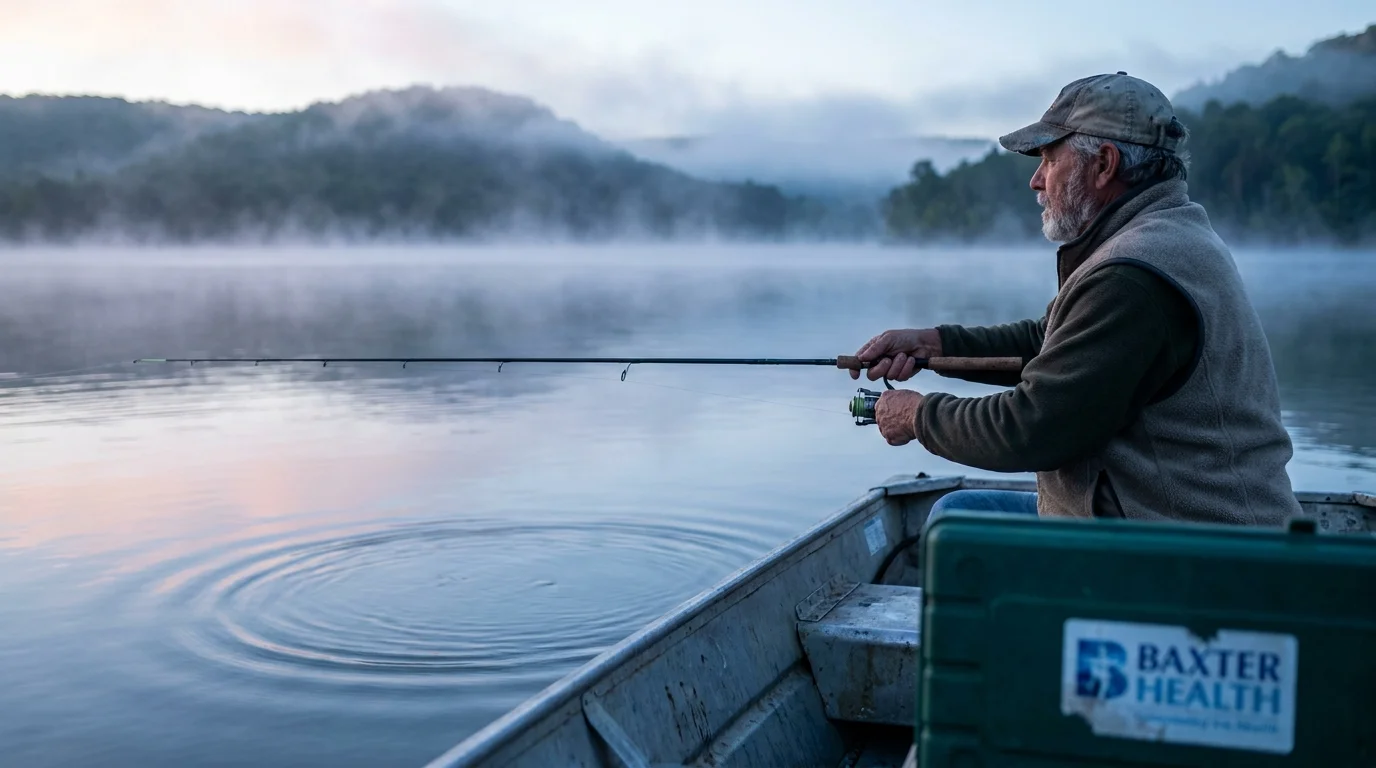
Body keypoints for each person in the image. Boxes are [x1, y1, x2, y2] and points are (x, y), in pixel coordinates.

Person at [854, 72, 1301, 527]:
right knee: (954, 512)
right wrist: (932, 345)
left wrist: (917, 416)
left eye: (1049, 159)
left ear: (1104, 165)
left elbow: (1034, 427)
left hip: (1189, 557)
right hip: (1168, 526)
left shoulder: (1132, 277)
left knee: (952, 527)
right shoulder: (1163, 234)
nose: (1036, 181)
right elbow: (1053, 344)